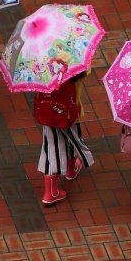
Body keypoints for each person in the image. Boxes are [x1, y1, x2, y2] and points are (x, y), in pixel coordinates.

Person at [35, 73, 94, 205]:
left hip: (47, 109)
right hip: (70, 109)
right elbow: (85, 71)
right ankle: (70, 169)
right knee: (73, 138)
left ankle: (51, 191)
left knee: (52, 146)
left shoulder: (39, 63)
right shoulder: (73, 59)